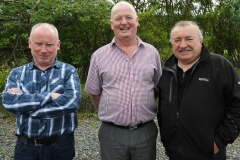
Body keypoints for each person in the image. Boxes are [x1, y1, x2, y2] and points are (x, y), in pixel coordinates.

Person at [84, 1, 161, 160]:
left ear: (137, 20)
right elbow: (94, 92)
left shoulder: (152, 52)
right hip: (112, 134)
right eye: (118, 19)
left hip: (145, 132)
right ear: (112, 24)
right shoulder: (99, 56)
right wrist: (114, 114)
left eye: (128, 17)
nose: (124, 22)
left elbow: (157, 88)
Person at [157, 20, 240, 160]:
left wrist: (220, 140)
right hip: (174, 153)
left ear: (201, 41)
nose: (183, 44)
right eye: (177, 40)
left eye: (189, 39)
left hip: (208, 154)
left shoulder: (219, 66)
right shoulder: (167, 71)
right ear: (172, 44)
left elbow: (237, 105)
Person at [2, 23, 81, 160]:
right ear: (30, 43)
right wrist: (50, 96)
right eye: (38, 43)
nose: (43, 50)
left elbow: (72, 103)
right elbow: (8, 102)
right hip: (26, 147)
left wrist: (26, 103)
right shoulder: (16, 73)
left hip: (61, 147)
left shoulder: (69, 71)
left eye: (49, 44)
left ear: (58, 45)